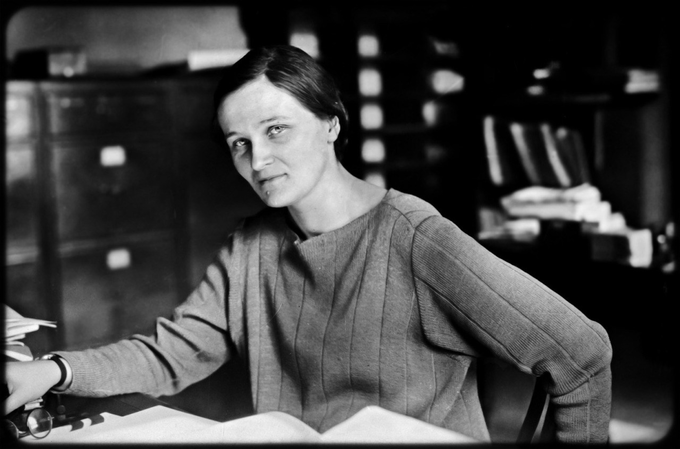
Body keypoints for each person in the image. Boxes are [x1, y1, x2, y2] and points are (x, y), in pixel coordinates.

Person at [3, 45, 612, 444]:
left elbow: (582, 355)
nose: (258, 159)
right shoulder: (252, 247)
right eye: (239, 143)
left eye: (276, 130)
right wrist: (51, 371)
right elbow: (171, 355)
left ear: (331, 125)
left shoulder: (416, 238)